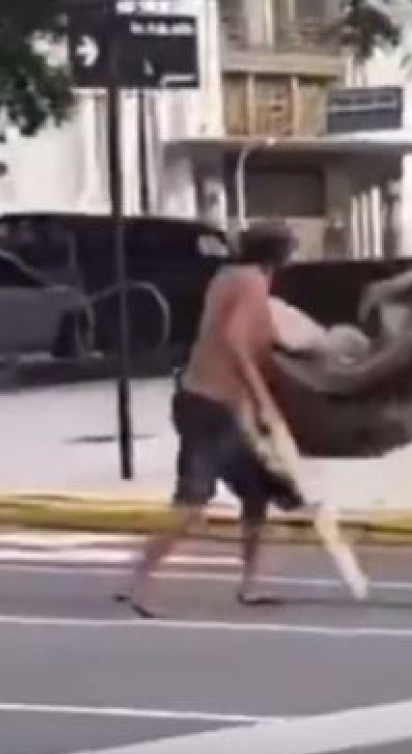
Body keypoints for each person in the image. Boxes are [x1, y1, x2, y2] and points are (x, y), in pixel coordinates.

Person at [116, 221, 304, 618]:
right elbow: (235, 341)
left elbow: (250, 334)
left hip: (205, 402)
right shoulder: (251, 281)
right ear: (279, 254)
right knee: (193, 500)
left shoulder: (228, 276)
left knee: (256, 492)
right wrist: (262, 398)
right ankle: (139, 582)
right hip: (210, 407)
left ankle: (251, 584)